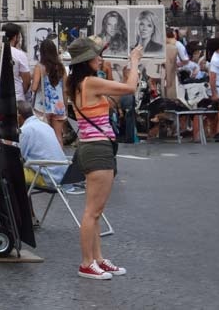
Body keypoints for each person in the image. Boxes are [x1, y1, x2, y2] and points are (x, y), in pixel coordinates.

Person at [66, 35, 139, 281]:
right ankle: (87, 262)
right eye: (96, 56)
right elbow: (130, 89)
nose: (100, 58)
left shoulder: (77, 82)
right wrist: (135, 61)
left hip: (92, 147)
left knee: (96, 211)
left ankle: (97, 258)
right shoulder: (90, 82)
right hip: (97, 149)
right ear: (86, 60)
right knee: (92, 212)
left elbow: (114, 97)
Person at [17, 101, 83, 194]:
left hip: (50, 177)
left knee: (11, 173)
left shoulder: (25, 130)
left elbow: (18, 156)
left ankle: (21, 206)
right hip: (64, 176)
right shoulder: (44, 125)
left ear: (19, 116)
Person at [30, 38, 68, 144]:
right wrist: (65, 107)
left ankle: (44, 158)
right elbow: (65, 89)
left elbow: (34, 88)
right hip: (58, 106)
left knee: (43, 136)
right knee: (58, 136)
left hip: (42, 106)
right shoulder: (61, 67)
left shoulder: (40, 67)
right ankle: (59, 159)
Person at [5, 23, 33, 105]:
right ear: (15, 37)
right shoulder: (19, 54)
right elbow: (27, 79)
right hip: (16, 96)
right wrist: (21, 91)